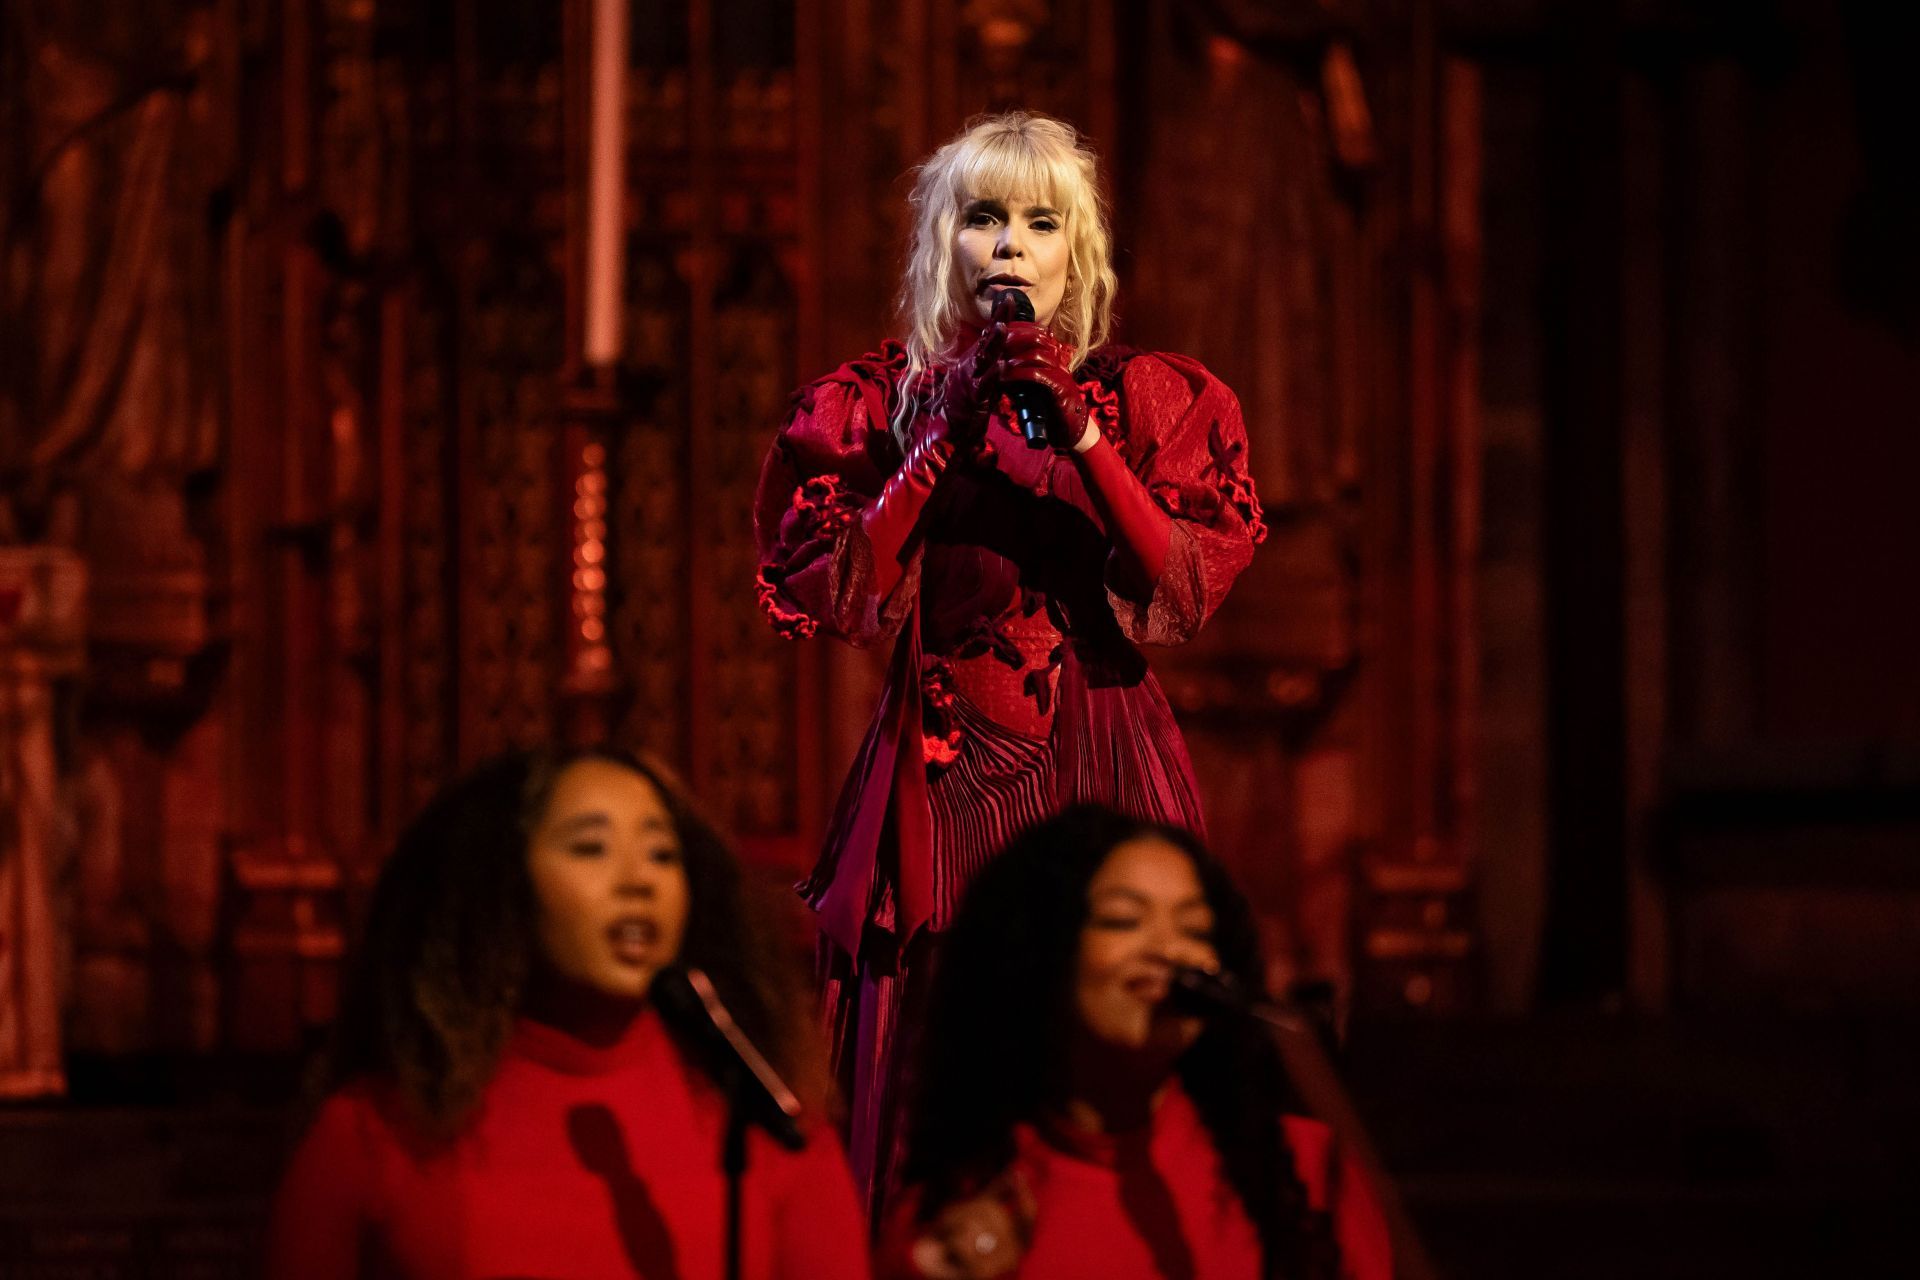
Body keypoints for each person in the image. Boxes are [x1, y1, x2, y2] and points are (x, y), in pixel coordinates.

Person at [753, 110, 1267, 1209]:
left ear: (1073, 251)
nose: (1008, 245)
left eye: (1038, 222)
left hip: (1101, 745)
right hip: (944, 764)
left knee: (1105, 993)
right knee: (949, 1028)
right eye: (984, 218)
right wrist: (938, 441)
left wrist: (1075, 433)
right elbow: (839, 587)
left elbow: (1179, 584)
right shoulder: (875, 406)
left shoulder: (1148, 401)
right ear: (944, 242)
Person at [266, 747, 870, 1280]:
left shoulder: (763, 1117)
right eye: (591, 848)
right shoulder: (374, 1131)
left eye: (662, 854)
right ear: (503, 883)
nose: (639, 882)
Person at [880, 805, 1392, 1280]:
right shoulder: (957, 1215)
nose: (1170, 952)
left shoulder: (1306, 1171)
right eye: (1124, 920)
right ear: (1040, 953)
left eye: (1195, 929)